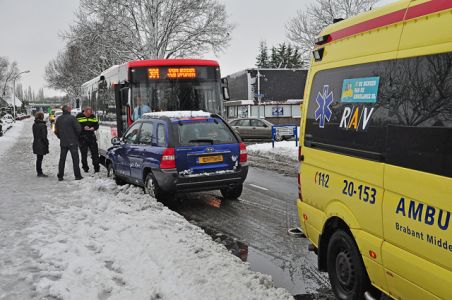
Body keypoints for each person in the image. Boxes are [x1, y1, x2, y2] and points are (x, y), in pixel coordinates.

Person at [54, 104, 83, 181]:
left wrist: (60, 137)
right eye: (70, 109)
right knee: (75, 159)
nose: (71, 110)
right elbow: (78, 129)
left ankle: (60, 175)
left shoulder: (59, 119)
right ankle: (77, 175)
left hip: (63, 142)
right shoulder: (73, 118)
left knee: (62, 159)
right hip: (73, 142)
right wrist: (76, 137)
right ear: (68, 110)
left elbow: (56, 130)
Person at [76, 106, 100, 173]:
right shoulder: (79, 116)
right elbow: (75, 126)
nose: (89, 115)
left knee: (95, 153)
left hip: (91, 137)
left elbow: (96, 125)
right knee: (84, 154)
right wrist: (83, 128)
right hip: (82, 138)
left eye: (90, 114)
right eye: (88, 114)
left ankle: (96, 167)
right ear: (84, 112)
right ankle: (85, 168)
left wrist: (94, 128)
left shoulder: (92, 116)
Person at [32, 112, 49, 177]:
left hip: (36, 143)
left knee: (38, 158)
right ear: (41, 117)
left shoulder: (34, 124)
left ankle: (39, 171)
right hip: (41, 144)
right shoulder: (43, 126)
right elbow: (44, 136)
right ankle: (39, 172)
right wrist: (46, 143)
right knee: (39, 159)